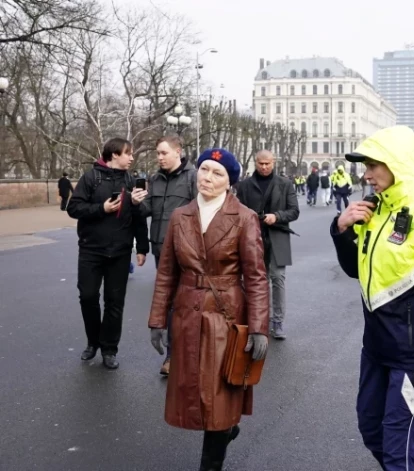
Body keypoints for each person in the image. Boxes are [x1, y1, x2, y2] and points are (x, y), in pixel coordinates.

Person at [330, 126, 414, 471]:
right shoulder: (375, 209)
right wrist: (342, 229)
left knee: (399, 452)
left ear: (399, 164)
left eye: (375, 165)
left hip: (413, 356)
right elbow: (356, 271)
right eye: (366, 166)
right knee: (371, 430)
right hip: (375, 348)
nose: (368, 174)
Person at [148, 148, 269, 471]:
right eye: (204, 169)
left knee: (218, 392)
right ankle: (226, 429)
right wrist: (158, 319)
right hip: (187, 314)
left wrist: (258, 328)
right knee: (194, 389)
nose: (208, 177)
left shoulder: (244, 217)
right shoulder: (180, 216)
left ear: (230, 182)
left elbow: (256, 277)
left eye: (217, 173)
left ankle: (211, 463)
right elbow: (167, 273)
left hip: (225, 315)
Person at [67, 138, 148, 369]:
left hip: (120, 252)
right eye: (128, 153)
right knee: (88, 296)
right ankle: (93, 342)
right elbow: (73, 208)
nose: (131, 157)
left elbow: (141, 217)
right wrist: (101, 208)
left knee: (115, 303)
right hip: (91, 250)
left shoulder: (132, 181)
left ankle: (109, 349)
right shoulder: (91, 177)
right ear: (114, 154)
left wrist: (142, 248)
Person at [130, 135, 197, 376]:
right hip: (161, 250)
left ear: (177, 151)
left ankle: (182, 354)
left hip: (187, 251)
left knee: (186, 303)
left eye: (163, 153)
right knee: (169, 301)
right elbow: (149, 211)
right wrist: (138, 203)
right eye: (157, 153)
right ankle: (172, 355)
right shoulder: (155, 180)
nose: (159, 157)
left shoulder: (193, 176)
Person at [235, 150, 299, 340]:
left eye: (268, 163)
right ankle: (256, 320)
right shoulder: (245, 186)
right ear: (256, 163)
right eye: (261, 163)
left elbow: (294, 211)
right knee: (252, 281)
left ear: (274, 162)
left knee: (278, 280)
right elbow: (237, 211)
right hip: (252, 238)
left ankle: (277, 322)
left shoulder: (285, 184)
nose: (264, 167)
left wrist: (276, 216)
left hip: (277, 236)